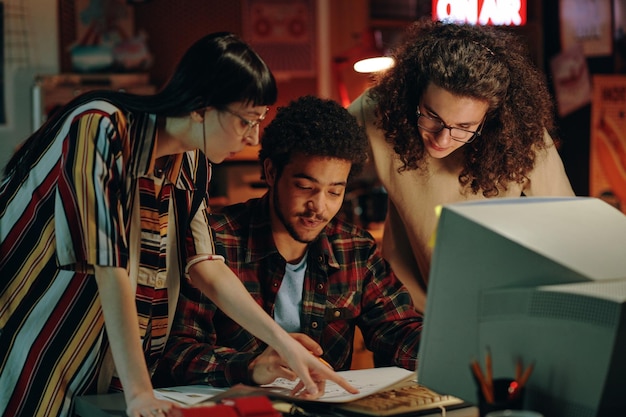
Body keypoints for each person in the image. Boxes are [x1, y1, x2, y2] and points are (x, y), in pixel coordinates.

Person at [0, 33, 353, 417]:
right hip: (34, 337)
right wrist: (139, 394)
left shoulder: (190, 159)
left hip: (105, 356)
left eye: (260, 121)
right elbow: (110, 267)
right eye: (247, 121)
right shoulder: (100, 127)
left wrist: (284, 343)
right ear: (202, 106)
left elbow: (206, 267)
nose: (253, 137)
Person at [153, 95, 423, 393]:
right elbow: (173, 352)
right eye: (305, 187)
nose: (318, 207)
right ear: (271, 172)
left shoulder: (355, 249)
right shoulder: (215, 242)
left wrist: (454, 349)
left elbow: (397, 329)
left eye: (334, 192)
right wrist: (251, 366)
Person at [348, 19, 576, 313]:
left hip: (495, 306)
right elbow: (317, 153)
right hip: (404, 308)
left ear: (491, 118)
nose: (443, 139)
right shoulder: (381, 109)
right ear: (414, 95)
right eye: (431, 116)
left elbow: (567, 225)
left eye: (464, 126)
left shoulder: (522, 135)